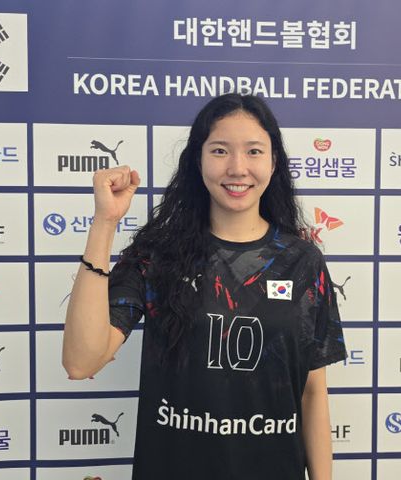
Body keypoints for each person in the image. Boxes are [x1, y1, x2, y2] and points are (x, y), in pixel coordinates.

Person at [63, 93, 347, 480]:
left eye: (253, 151)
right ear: (197, 160)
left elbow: (313, 392)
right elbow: (81, 362)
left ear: (273, 162)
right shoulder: (157, 256)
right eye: (219, 151)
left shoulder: (302, 261)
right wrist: (104, 223)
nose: (237, 168)